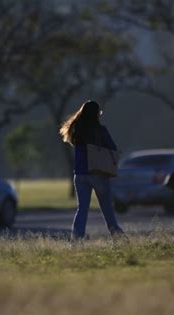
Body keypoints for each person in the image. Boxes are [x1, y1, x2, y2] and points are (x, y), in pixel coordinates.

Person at [59, 100, 125, 241]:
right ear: (96, 114)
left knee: (82, 209)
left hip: (80, 174)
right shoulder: (100, 130)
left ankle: (76, 239)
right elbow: (112, 148)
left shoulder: (75, 130)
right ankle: (117, 236)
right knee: (107, 208)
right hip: (98, 173)